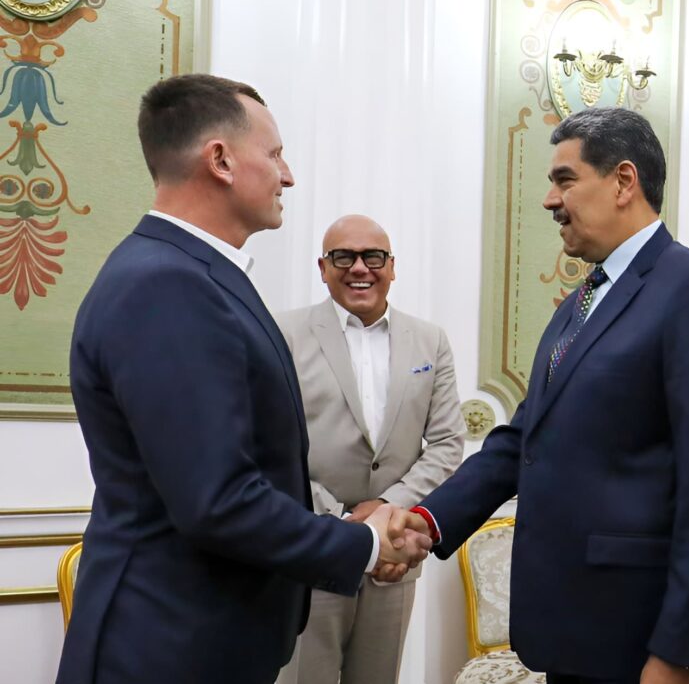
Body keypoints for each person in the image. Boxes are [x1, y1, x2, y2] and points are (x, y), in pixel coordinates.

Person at [55, 74, 429, 684]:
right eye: (276, 154)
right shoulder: (167, 284)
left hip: (203, 637)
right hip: (168, 647)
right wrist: (358, 544)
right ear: (221, 161)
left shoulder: (191, 273)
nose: (287, 176)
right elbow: (217, 500)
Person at [396, 107, 689, 683]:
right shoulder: (579, 304)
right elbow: (521, 440)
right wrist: (429, 521)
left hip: (636, 640)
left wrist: (677, 651)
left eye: (564, 179)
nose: (549, 199)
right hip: (568, 628)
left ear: (622, 181)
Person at [275, 214, 466, 684]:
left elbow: (446, 443)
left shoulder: (430, 340)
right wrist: (342, 522)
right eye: (344, 256)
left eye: (372, 257)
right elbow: (274, 448)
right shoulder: (282, 333)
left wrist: (385, 510)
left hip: (396, 555)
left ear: (392, 266)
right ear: (323, 267)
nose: (359, 267)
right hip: (311, 548)